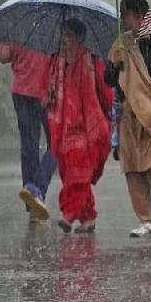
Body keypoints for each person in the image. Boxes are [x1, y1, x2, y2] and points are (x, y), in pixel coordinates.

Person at [107, 0, 151, 238]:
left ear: (140, 16)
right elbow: (109, 79)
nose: (122, 20)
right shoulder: (120, 44)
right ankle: (144, 219)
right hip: (130, 113)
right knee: (133, 167)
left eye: (125, 14)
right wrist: (113, 69)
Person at [45, 19, 114, 234]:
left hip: (87, 128)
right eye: (62, 35)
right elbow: (46, 92)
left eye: (69, 35)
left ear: (79, 38)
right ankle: (88, 217)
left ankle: (69, 214)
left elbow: (106, 93)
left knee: (79, 174)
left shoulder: (92, 61)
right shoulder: (56, 63)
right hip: (63, 129)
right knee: (69, 173)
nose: (64, 41)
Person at [0, 0, 56, 222]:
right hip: (49, 90)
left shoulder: (16, 14)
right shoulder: (54, 14)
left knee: (29, 146)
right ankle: (38, 190)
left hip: (21, 90)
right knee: (58, 144)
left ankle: (31, 199)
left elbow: (3, 56)